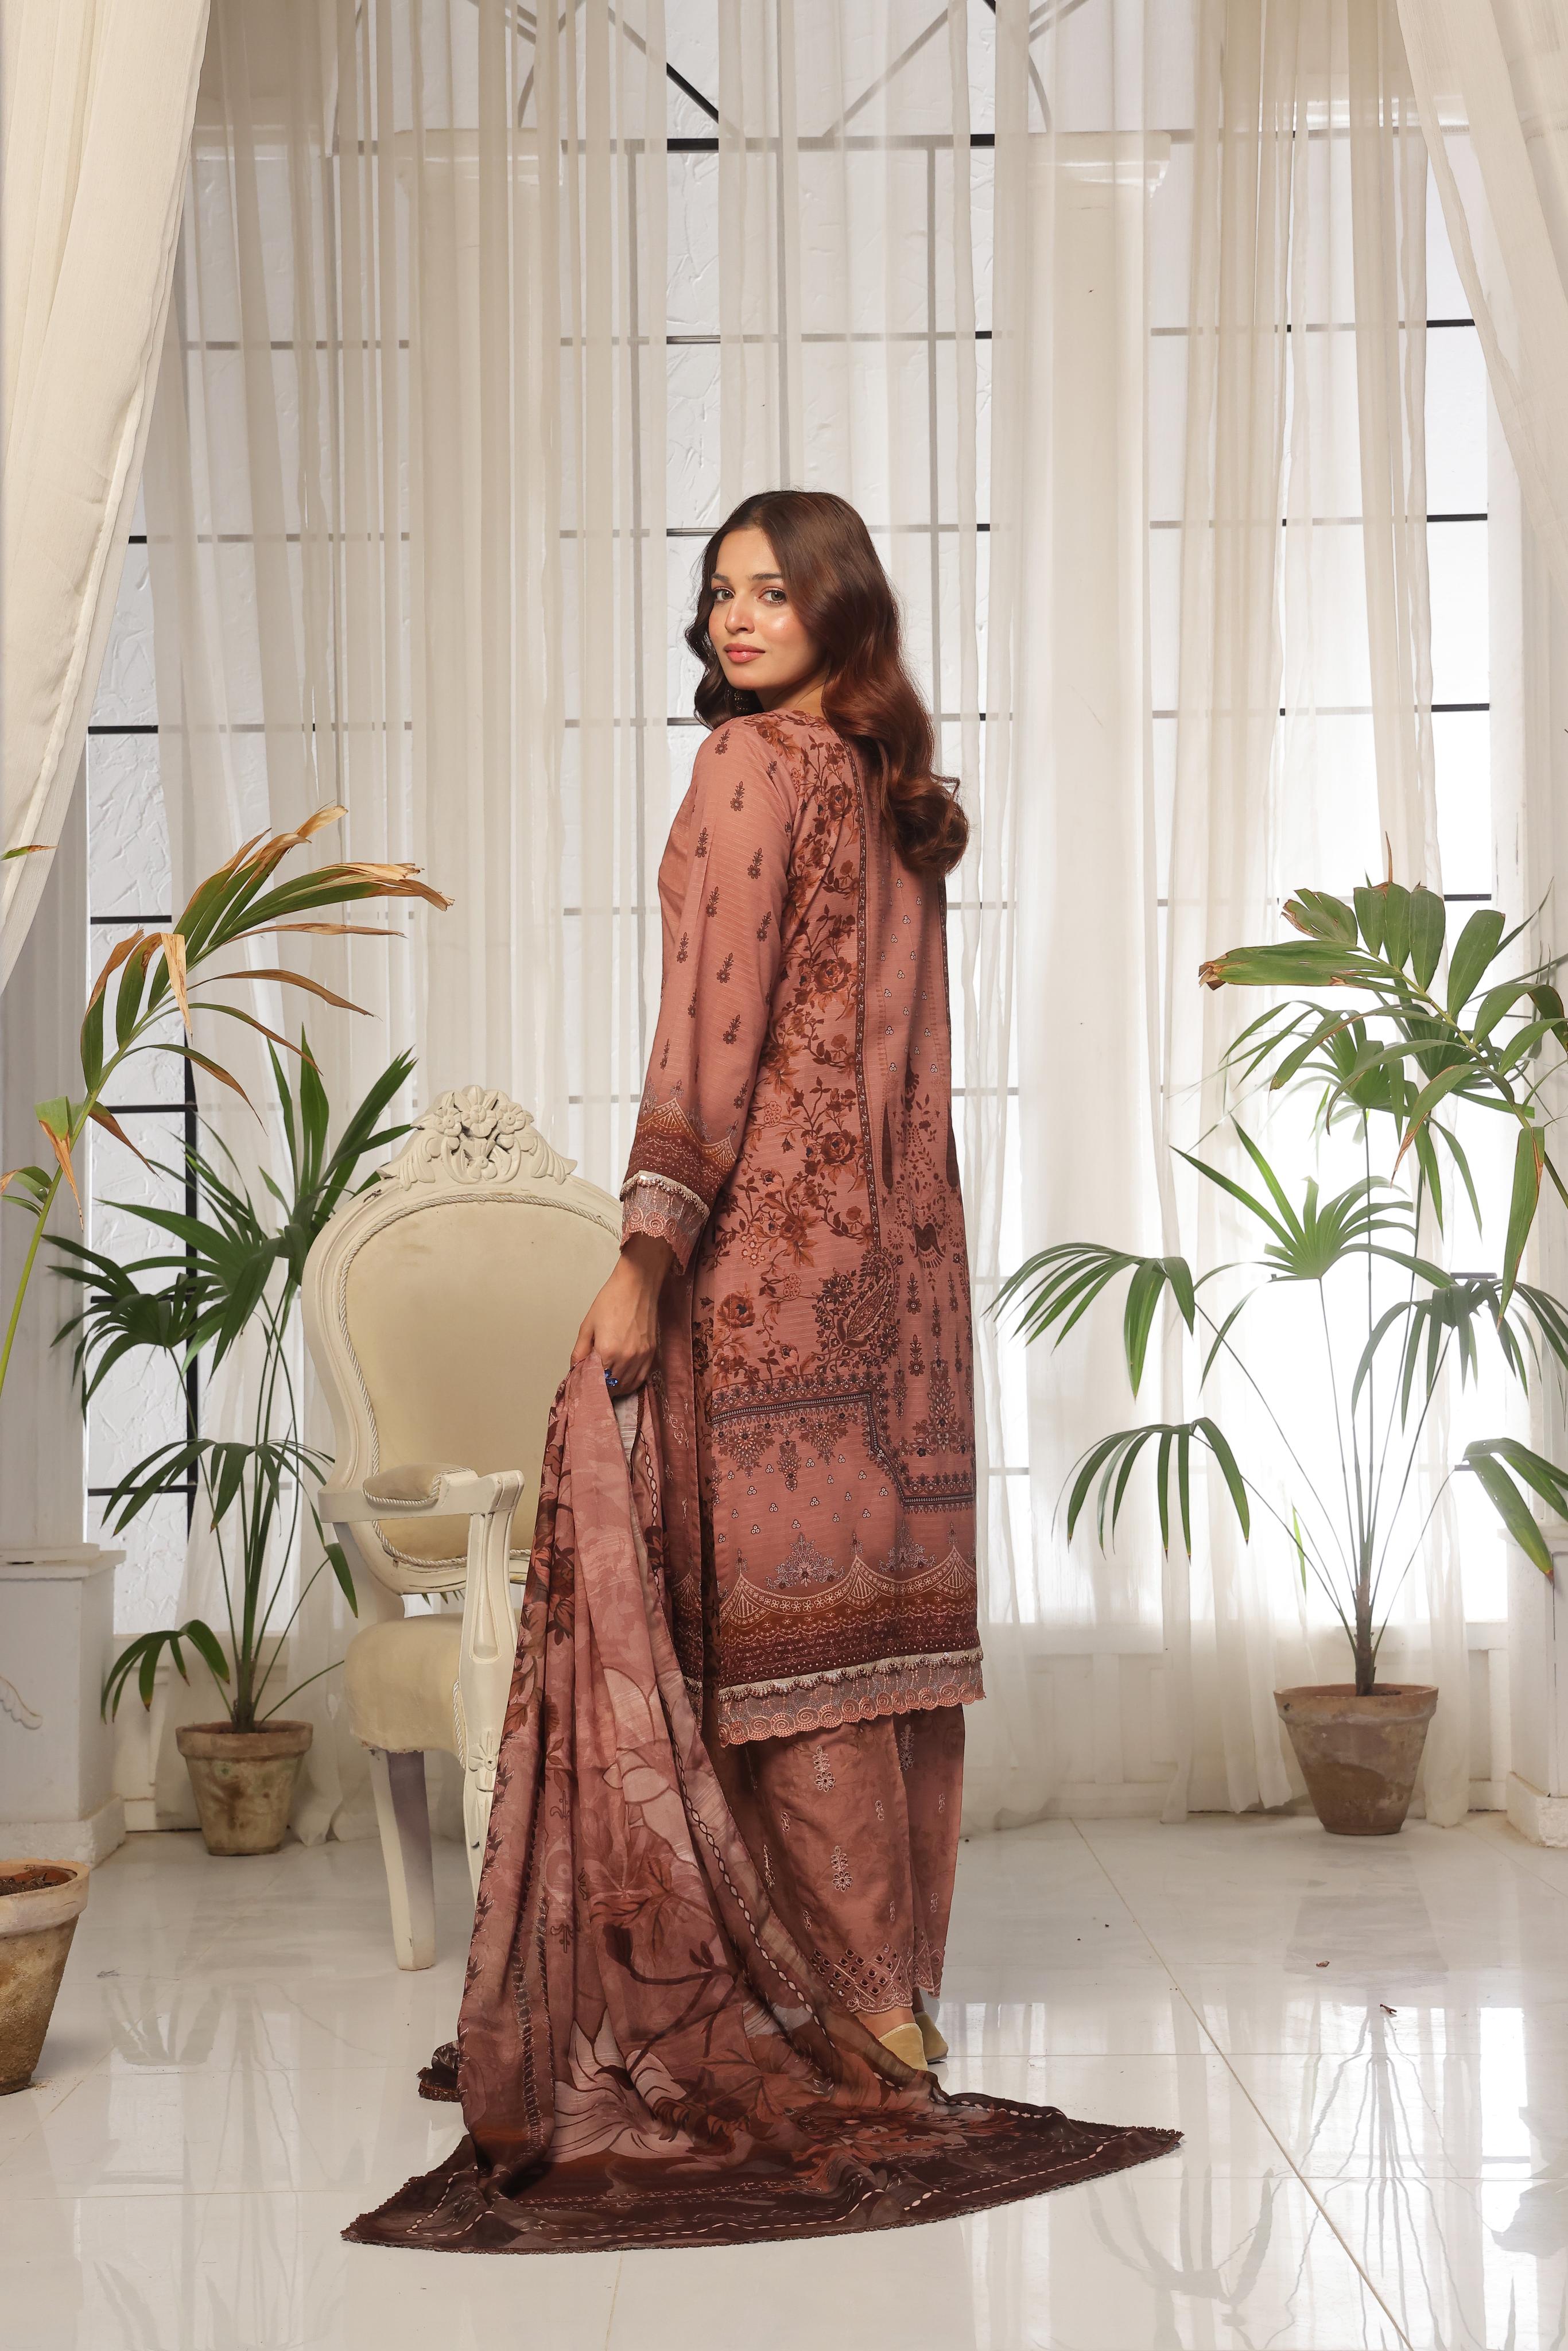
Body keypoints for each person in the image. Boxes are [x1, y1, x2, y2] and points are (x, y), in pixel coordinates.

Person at [570, 488, 981, 2073]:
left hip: (771, 1280)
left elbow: (709, 1039)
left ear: (836, 609)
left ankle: (832, 1997)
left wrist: (646, 1251)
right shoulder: (890, 786)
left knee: (788, 1640)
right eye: (720, 592)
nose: (734, 619)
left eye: (770, 593)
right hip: (910, 1294)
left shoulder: (748, 767)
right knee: (871, 1639)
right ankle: (892, 1989)